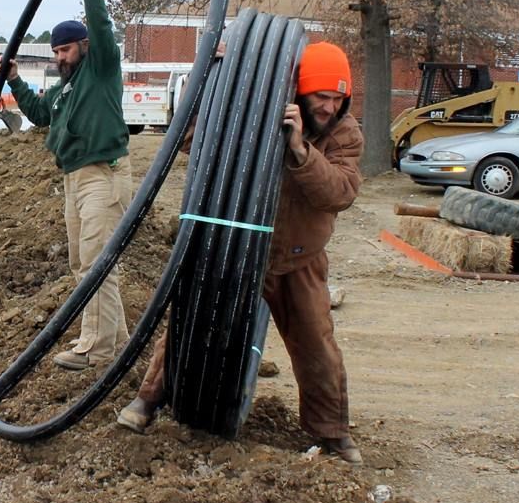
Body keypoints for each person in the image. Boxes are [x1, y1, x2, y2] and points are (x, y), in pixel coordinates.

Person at [116, 41, 365, 464]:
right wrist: (217, 79)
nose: (329, 106)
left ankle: (333, 434)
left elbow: (341, 193)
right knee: (190, 322)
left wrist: (301, 151)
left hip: (296, 257)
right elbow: (191, 140)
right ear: (300, 90)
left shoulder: (344, 133)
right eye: (322, 96)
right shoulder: (257, 108)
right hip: (236, 247)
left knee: (315, 344)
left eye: (338, 98)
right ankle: (148, 400)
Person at [6, 0, 131, 370]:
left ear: (84, 47)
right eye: (56, 49)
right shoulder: (64, 90)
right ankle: (116, 340)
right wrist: (16, 79)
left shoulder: (100, 69)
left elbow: (100, 22)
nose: (61, 55)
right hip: (74, 178)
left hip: (104, 175)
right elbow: (40, 114)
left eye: (67, 48)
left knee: (96, 264)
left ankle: (94, 350)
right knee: (84, 265)